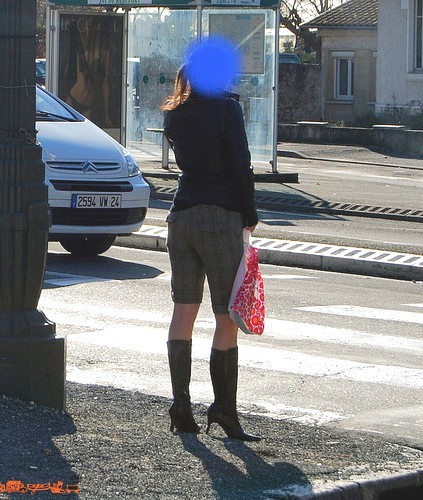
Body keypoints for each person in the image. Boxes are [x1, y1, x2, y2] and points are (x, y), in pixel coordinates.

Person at [161, 64, 260, 441]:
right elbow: (240, 165)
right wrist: (248, 214)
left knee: (184, 310)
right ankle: (223, 410)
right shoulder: (226, 110)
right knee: (226, 315)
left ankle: (181, 405)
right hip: (219, 218)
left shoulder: (174, 114)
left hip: (180, 217)